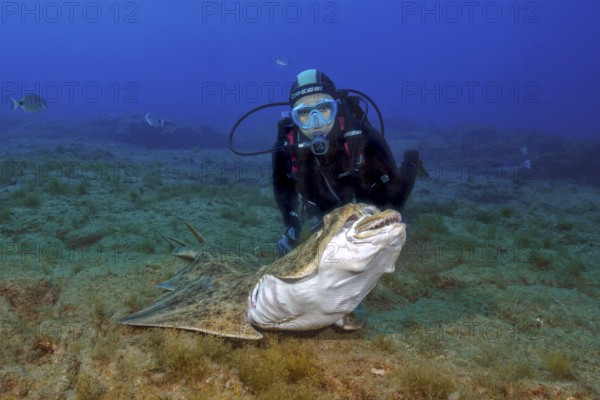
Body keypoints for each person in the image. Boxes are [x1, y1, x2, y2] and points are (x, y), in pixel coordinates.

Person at [273, 69, 421, 255]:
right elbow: (282, 188)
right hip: (326, 202)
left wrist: (384, 211)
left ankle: (411, 160)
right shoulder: (286, 146)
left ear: (335, 108)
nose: (316, 122)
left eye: (324, 108)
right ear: (294, 117)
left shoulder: (360, 133)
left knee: (397, 205)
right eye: (304, 112)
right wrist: (292, 225)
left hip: (368, 192)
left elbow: (389, 177)